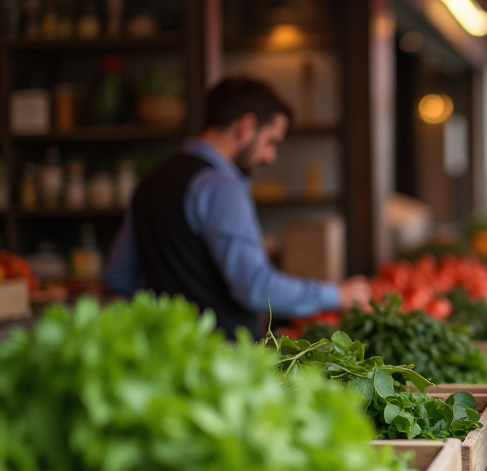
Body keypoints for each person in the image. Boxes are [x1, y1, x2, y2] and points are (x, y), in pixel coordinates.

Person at [104, 77, 370, 339]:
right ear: (246, 126)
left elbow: (118, 276)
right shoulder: (220, 185)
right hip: (222, 361)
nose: (270, 156)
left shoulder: (149, 181)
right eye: (271, 141)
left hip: (166, 353)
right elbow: (254, 287)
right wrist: (338, 294)